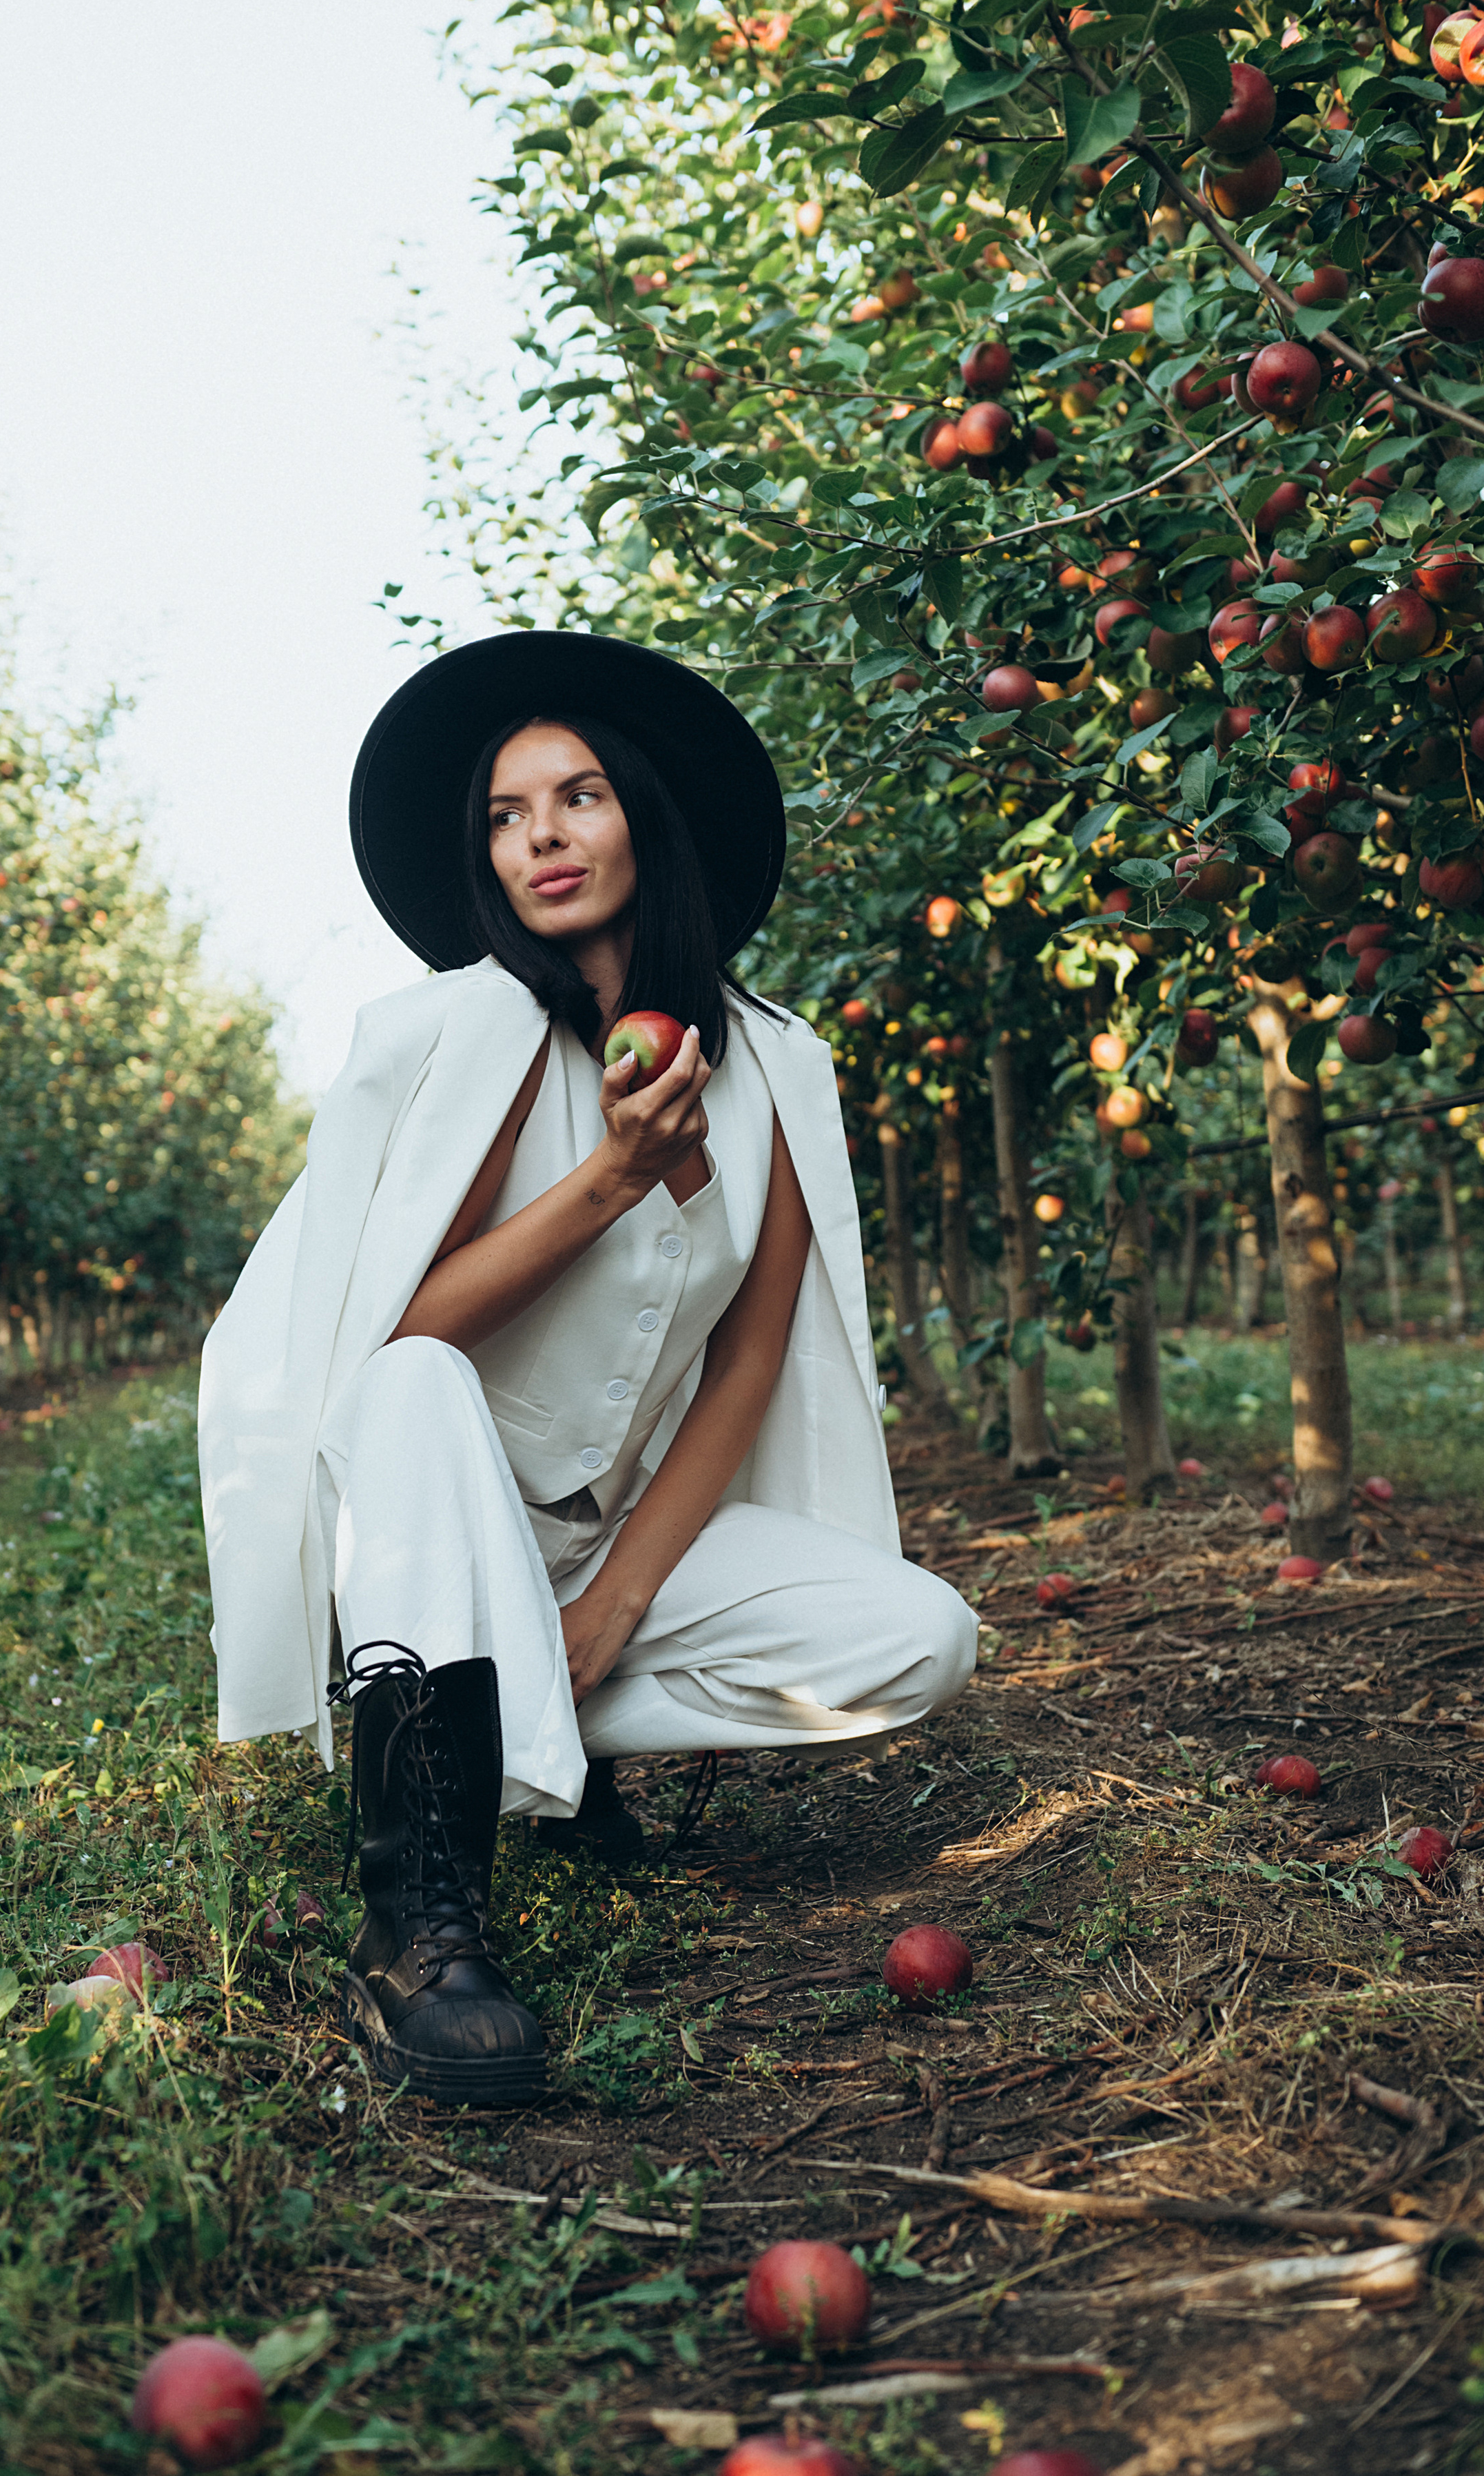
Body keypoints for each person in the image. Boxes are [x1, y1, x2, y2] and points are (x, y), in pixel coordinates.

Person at [198, 631, 976, 2107]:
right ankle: (417, 1927)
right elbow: (396, 1340)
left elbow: (747, 1362)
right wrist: (610, 1180)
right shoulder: (473, 1027)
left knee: (916, 1636)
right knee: (420, 1381)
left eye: (578, 797)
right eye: (504, 813)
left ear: (646, 817)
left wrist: (613, 1604)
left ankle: (523, 1736)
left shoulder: (770, 1061)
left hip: (604, 1533)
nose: (539, 836)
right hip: (432, 1518)